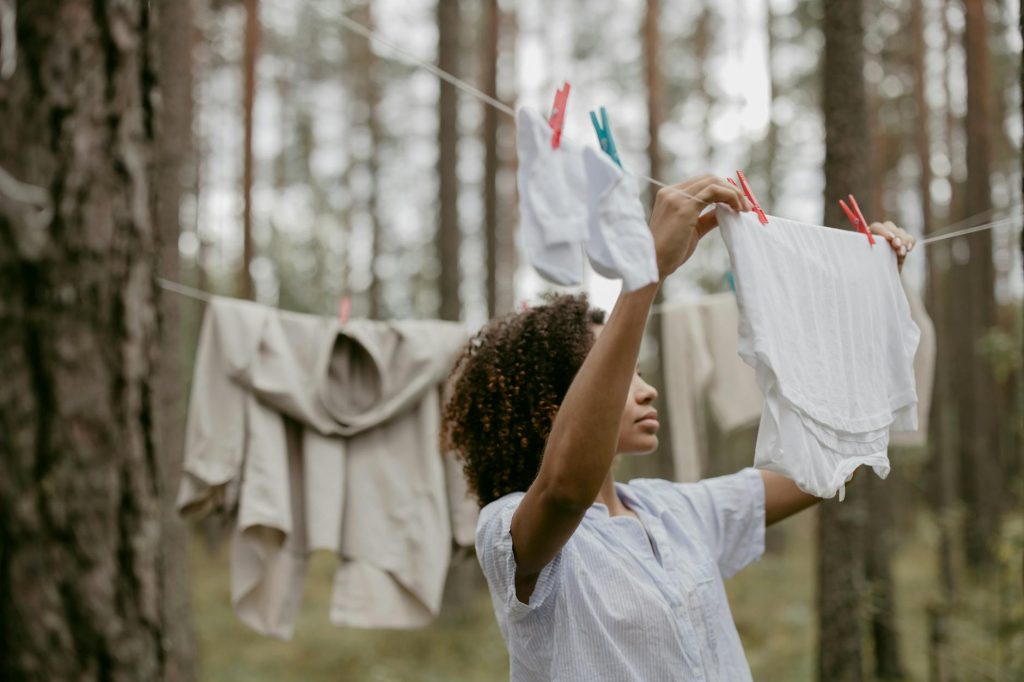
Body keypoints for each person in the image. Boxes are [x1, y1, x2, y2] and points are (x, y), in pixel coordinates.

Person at [440, 176, 917, 681]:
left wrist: (869, 300)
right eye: (624, 374)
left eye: (639, 372)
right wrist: (645, 275)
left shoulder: (675, 511)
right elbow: (563, 492)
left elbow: (828, 463)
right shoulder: (506, 527)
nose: (647, 391)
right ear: (553, 404)